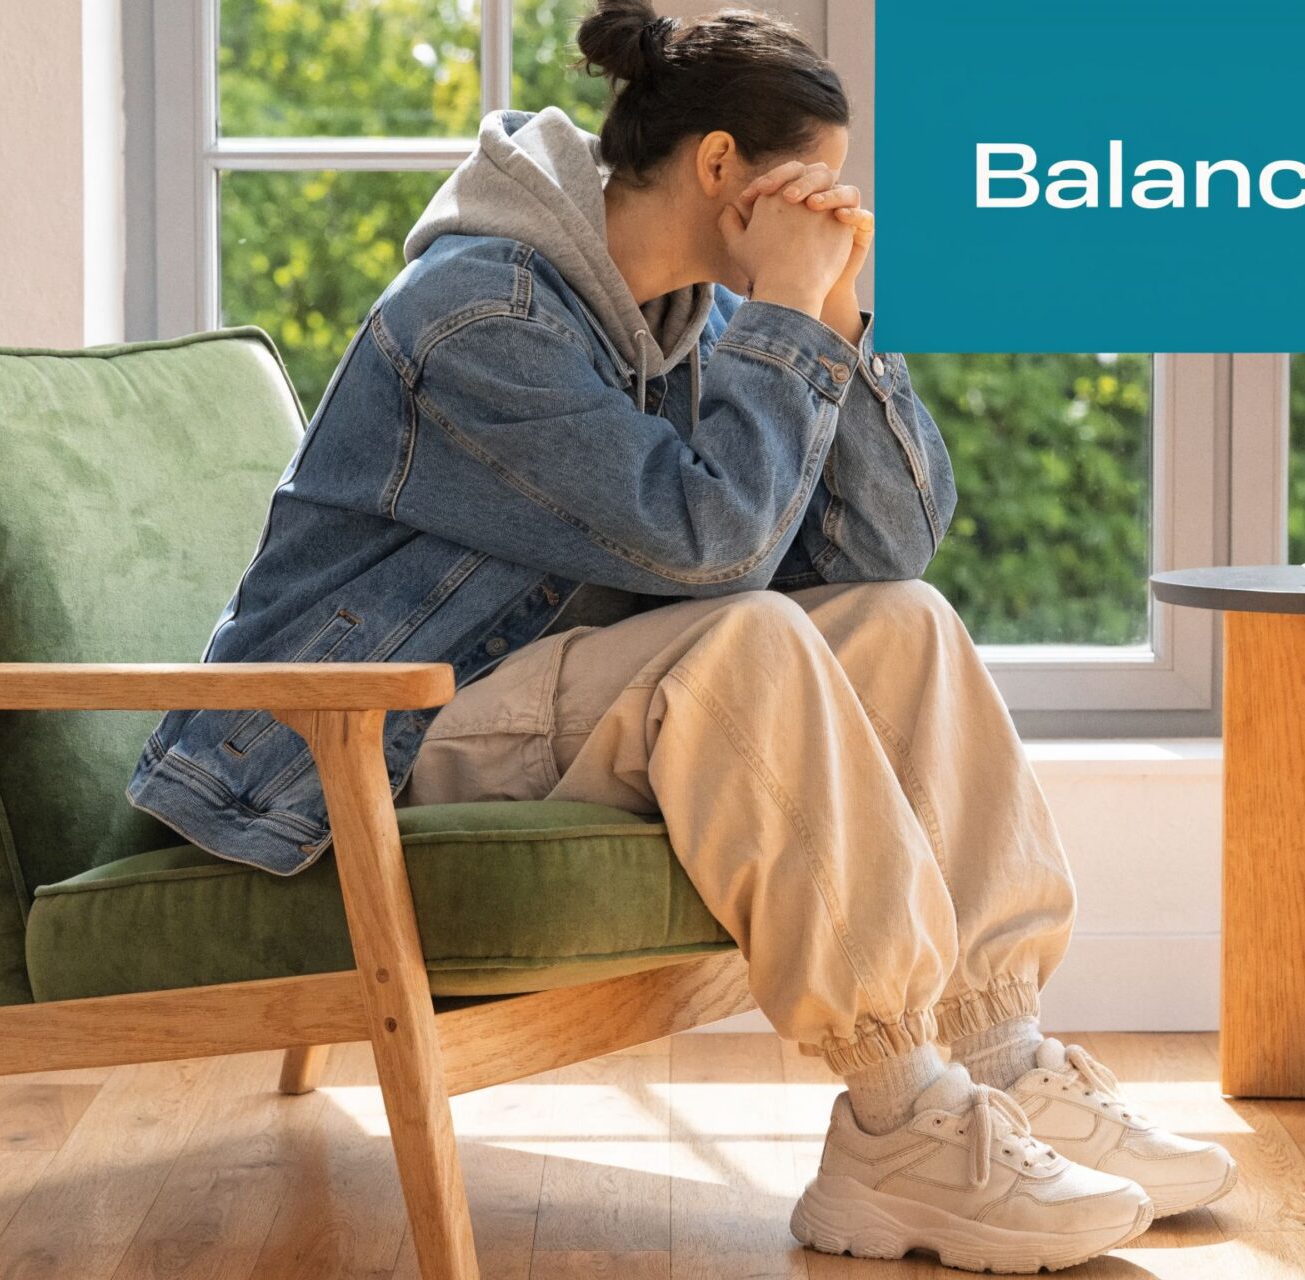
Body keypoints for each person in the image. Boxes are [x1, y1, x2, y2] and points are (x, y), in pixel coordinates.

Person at [128, 1, 1234, 1269]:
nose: (833, 212)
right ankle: (900, 1118)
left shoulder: (693, 323)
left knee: (900, 625)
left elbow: (882, 553)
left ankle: (996, 1057)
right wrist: (787, 323)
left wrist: (839, 325)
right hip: (356, 732)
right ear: (722, 168)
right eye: (814, 182)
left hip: (531, 697)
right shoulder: (476, 317)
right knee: (747, 637)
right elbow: (704, 547)